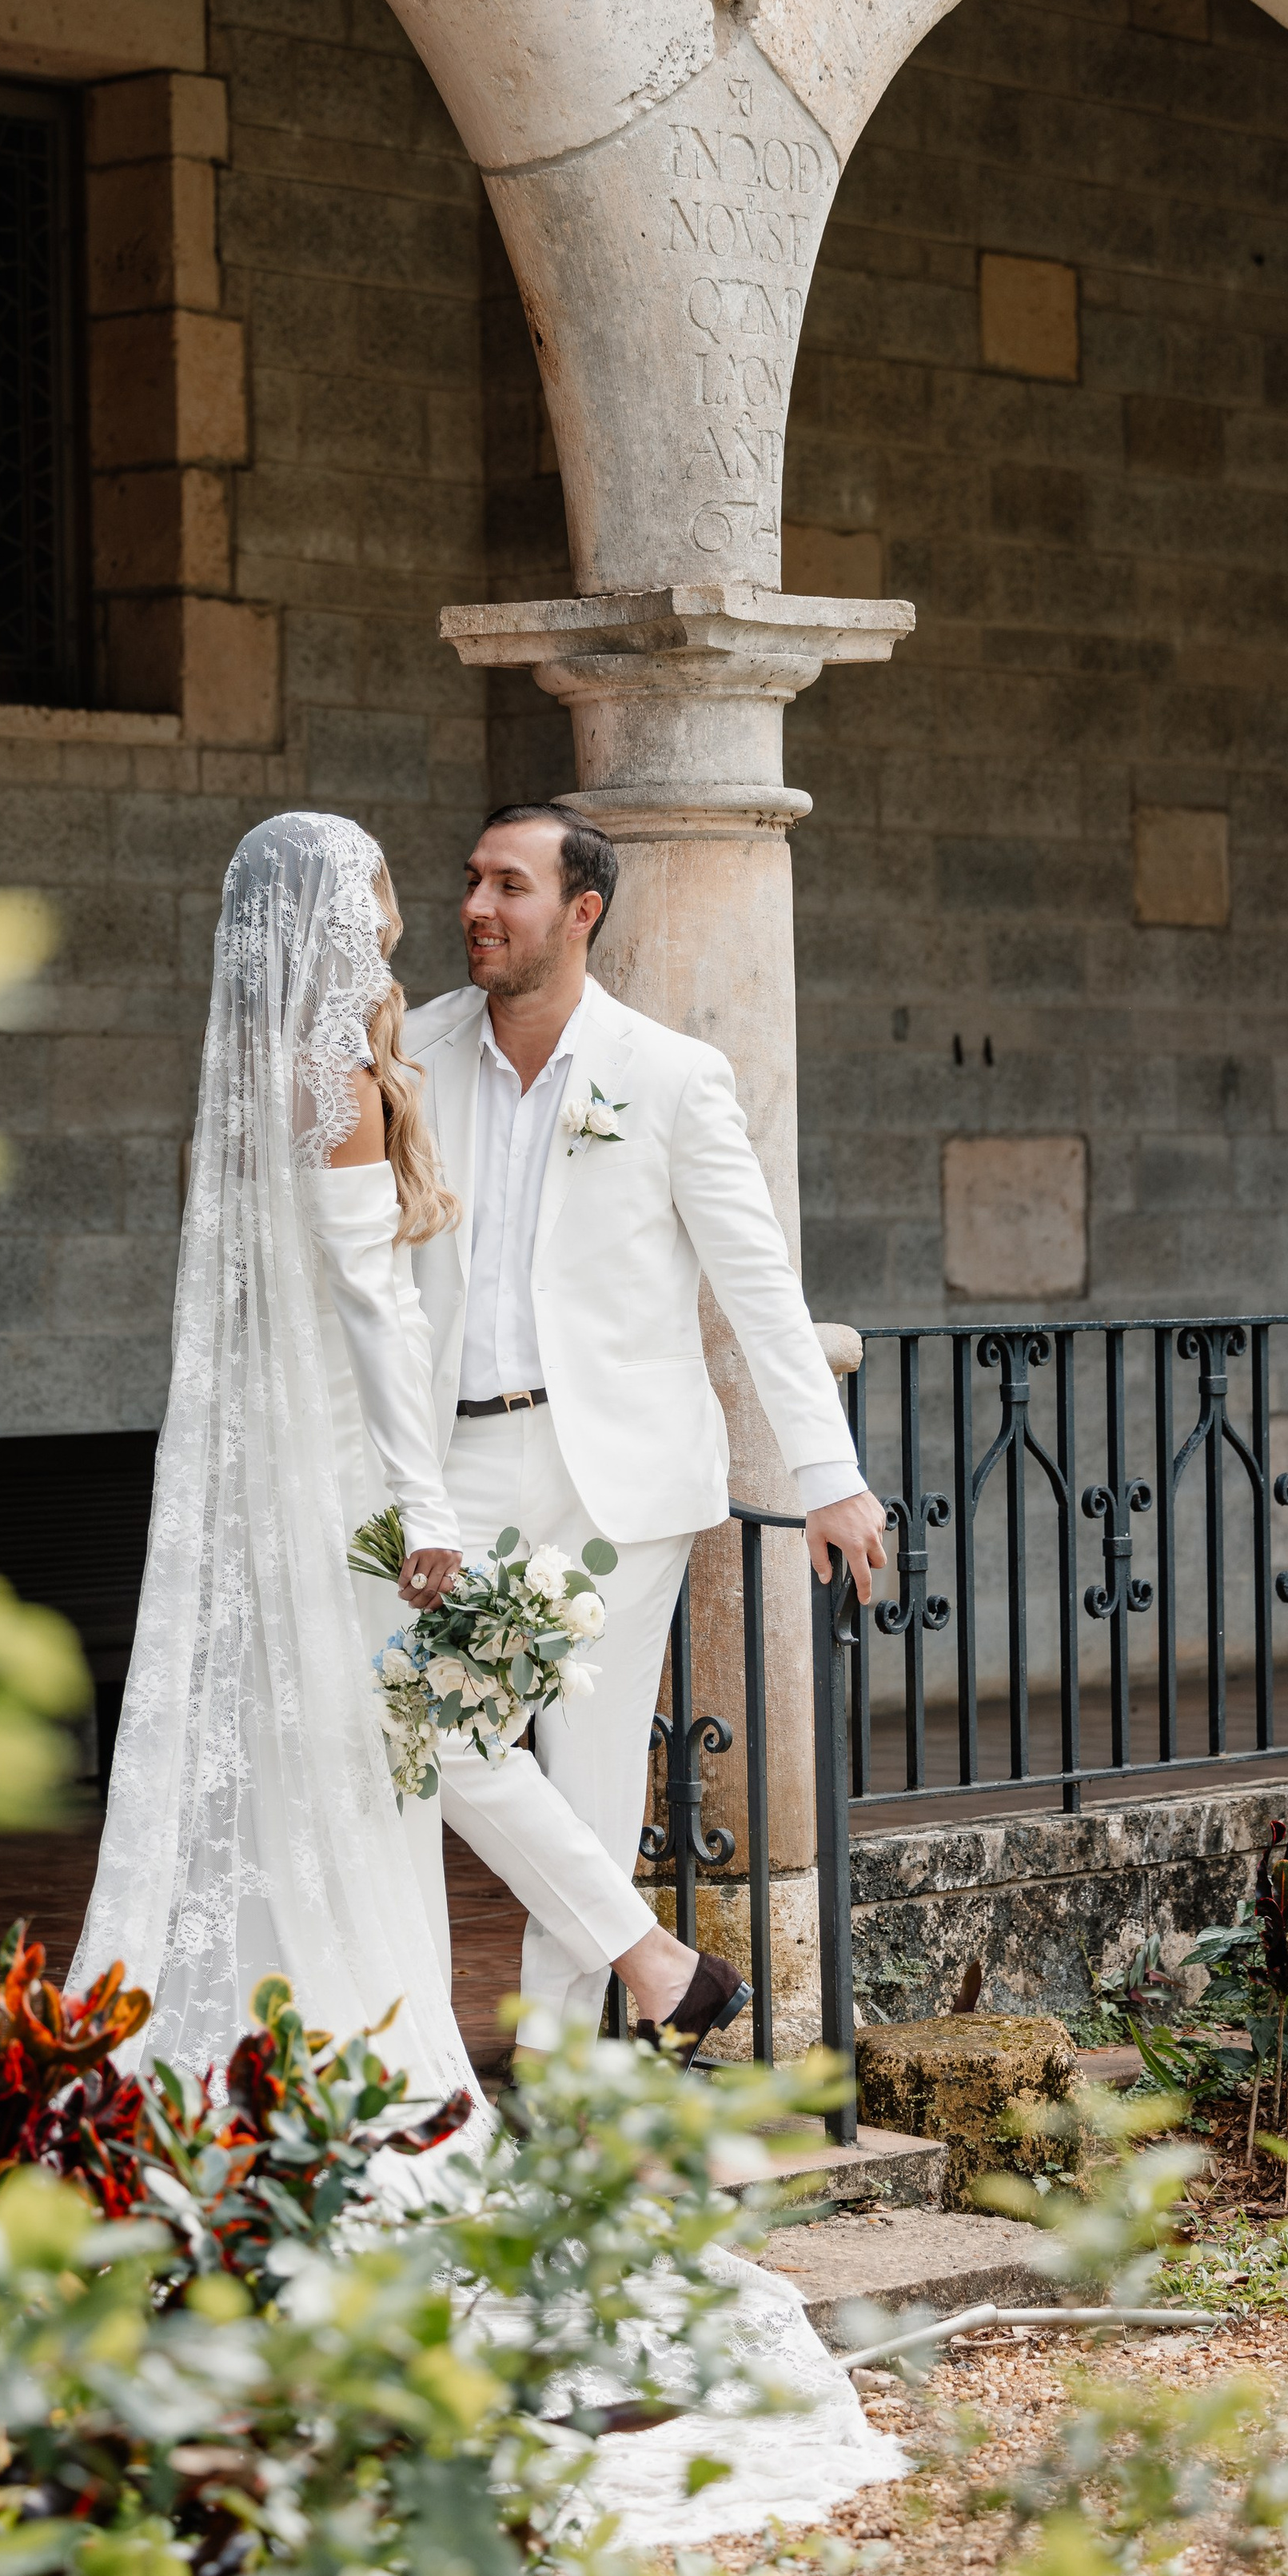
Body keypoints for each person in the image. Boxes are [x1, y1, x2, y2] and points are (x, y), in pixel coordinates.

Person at [398, 804, 888, 2055]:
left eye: (509, 886)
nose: (477, 908)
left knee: (597, 1783)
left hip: (620, 1476)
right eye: (472, 881)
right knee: (426, 1725)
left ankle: (565, 2073)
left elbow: (758, 1284)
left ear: (583, 911)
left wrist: (827, 1474)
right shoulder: (414, 1049)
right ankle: (661, 1964)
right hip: (456, 1466)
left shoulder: (669, 1075)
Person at [70, 812, 479, 2114]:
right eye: (372, 899)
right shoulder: (333, 1080)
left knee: (279, 1739)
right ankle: (352, 2041)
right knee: (349, 1754)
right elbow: (375, 1304)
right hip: (340, 1466)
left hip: (268, 1458)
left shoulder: (244, 1086)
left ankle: (258, 2034)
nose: (392, 922)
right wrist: (424, 1499)